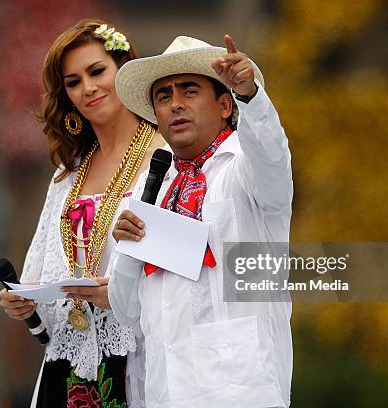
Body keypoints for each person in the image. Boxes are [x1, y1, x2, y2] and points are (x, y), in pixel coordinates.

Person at [103, 34, 293, 407]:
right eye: (163, 96)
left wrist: (251, 98)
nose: (175, 105)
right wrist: (127, 248)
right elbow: (125, 308)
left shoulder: (244, 168)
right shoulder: (151, 184)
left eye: (189, 91)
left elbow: (272, 159)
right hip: (165, 390)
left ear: (225, 105)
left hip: (242, 390)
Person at [0, 19, 165, 408]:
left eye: (96, 71)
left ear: (124, 70)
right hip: (69, 358)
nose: (88, 88)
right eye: (73, 82)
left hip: (137, 354)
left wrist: (126, 293)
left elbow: (184, 267)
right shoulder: (67, 174)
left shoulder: (166, 156)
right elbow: (41, 271)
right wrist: (24, 300)